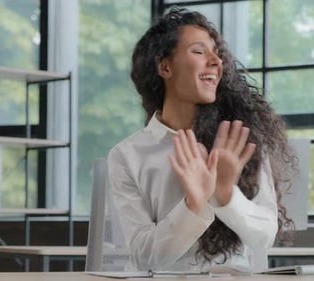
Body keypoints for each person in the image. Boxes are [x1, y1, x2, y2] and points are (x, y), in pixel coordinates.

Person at [107, 7, 296, 273]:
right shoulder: (127, 156)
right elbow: (144, 257)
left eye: (216, 54)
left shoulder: (239, 138)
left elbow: (264, 237)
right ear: (164, 66)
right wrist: (193, 204)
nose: (216, 62)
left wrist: (225, 193)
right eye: (199, 51)